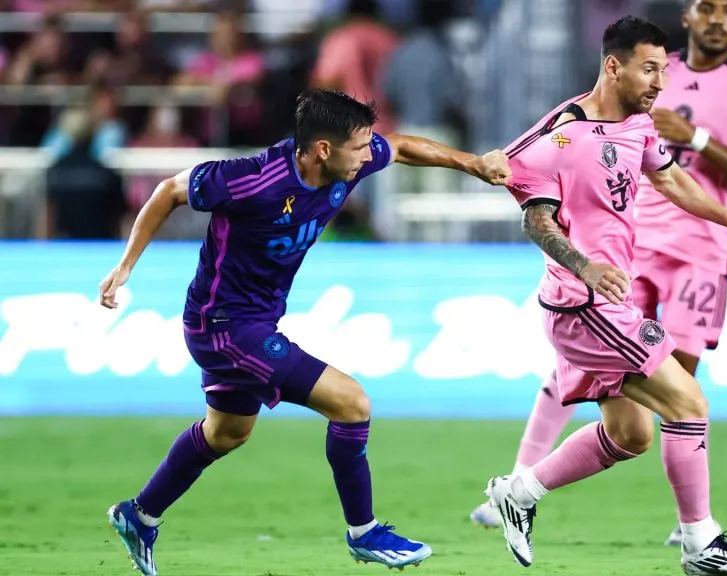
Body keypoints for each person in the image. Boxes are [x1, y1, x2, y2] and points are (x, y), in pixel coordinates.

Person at [99, 88, 511, 576]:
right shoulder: (251, 179)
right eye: (359, 147)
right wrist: (125, 266)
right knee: (351, 403)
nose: (368, 156)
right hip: (223, 326)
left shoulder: (346, 165)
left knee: (227, 433)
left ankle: (139, 515)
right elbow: (169, 191)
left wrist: (473, 164)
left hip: (254, 321)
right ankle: (364, 532)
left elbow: (400, 146)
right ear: (322, 149)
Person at [471, 0, 727, 558]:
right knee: (689, 402)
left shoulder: (639, 125)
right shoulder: (565, 131)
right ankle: (701, 542)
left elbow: (673, 182)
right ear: (614, 67)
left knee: (631, 433)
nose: (661, 83)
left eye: (664, 70)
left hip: (609, 301)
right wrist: (583, 266)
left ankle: (517, 493)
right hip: (585, 304)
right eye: (650, 70)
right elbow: (533, 215)